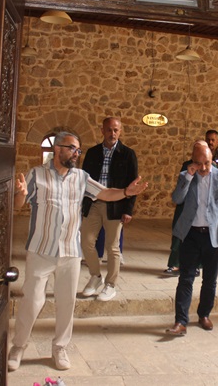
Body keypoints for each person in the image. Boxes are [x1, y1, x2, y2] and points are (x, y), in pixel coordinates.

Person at [8, 131, 147, 372]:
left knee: (66, 303)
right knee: (31, 301)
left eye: (78, 150)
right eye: (72, 148)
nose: (76, 153)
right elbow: (17, 204)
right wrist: (19, 194)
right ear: (57, 149)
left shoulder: (81, 177)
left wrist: (126, 192)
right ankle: (18, 346)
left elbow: (105, 193)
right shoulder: (37, 174)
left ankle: (60, 347)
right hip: (41, 250)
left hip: (70, 251)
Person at [166, 140, 218, 335]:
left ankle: (204, 314)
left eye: (207, 163)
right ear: (193, 161)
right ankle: (181, 321)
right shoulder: (186, 176)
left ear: (211, 159)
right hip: (190, 235)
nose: (204, 168)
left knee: (210, 280)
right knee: (186, 278)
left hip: (214, 236)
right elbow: (177, 199)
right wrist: (188, 177)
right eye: (199, 163)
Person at [80, 117, 138, 302]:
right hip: (93, 203)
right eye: (109, 130)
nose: (112, 133)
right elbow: (84, 180)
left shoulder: (128, 154)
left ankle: (110, 285)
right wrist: (81, 204)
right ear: (102, 131)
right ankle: (96, 276)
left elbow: (133, 185)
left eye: (116, 130)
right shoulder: (92, 153)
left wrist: (128, 209)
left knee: (112, 247)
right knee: (86, 242)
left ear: (120, 131)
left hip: (116, 205)